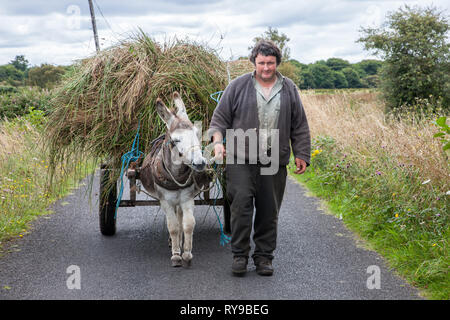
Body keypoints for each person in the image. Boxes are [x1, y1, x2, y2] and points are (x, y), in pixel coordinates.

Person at [208, 40, 311, 276]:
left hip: (273, 158)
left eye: (271, 63)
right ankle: (240, 256)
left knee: (268, 210)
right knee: (241, 205)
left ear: (277, 63)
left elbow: (299, 124)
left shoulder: (289, 88)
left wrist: (302, 153)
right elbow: (220, 119)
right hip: (240, 156)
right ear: (254, 62)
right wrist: (217, 143)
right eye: (262, 62)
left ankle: (264, 257)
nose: (266, 67)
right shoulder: (237, 86)